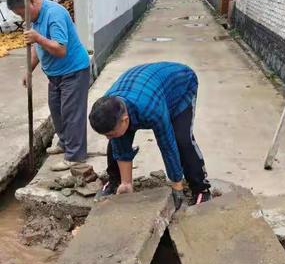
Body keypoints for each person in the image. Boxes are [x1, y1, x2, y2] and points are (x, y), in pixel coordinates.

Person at [89, 62, 211, 209]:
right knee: (116, 142)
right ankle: (115, 181)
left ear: (125, 120)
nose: (107, 137)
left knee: (181, 140)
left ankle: (201, 189)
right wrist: (126, 183)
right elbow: (120, 147)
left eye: (109, 133)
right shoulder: (109, 107)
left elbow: (167, 146)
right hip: (144, 84)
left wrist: (177, 188)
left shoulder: (151, 110)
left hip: (180, 87)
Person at [7, 0, 90, 172]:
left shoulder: (54, 14)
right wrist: (29, 70)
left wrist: (38, 38)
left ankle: (76, 156)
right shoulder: (34, 18)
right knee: (57, 111)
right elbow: (39, 50)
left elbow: (60, 49)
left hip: (73, 71)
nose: (23, 19)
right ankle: (65, 142)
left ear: (32, 2)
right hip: (54, 74)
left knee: (71, 113)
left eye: (22, 14)